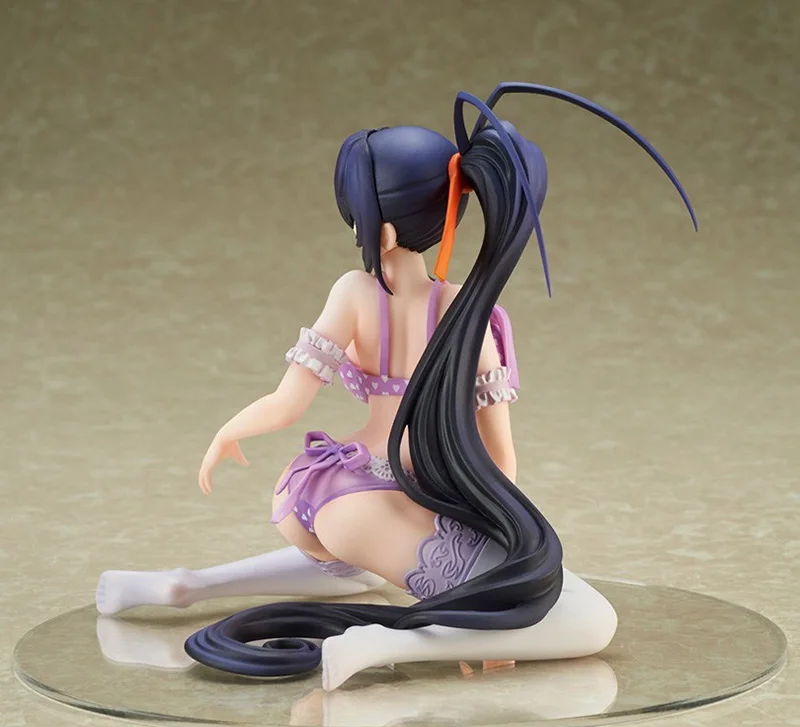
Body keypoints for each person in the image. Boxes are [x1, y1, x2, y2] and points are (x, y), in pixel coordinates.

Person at [96, 83, 696, 690]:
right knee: (590, 620)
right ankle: (381, 643)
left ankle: (181, 586)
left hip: (326, 488)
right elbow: (501, 458)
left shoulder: (354, 292)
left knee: (359, 572)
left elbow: (288, 402)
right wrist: (500, 570)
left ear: (379, 232)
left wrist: (228, 432)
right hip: (394, 501)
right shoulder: (466, 310)